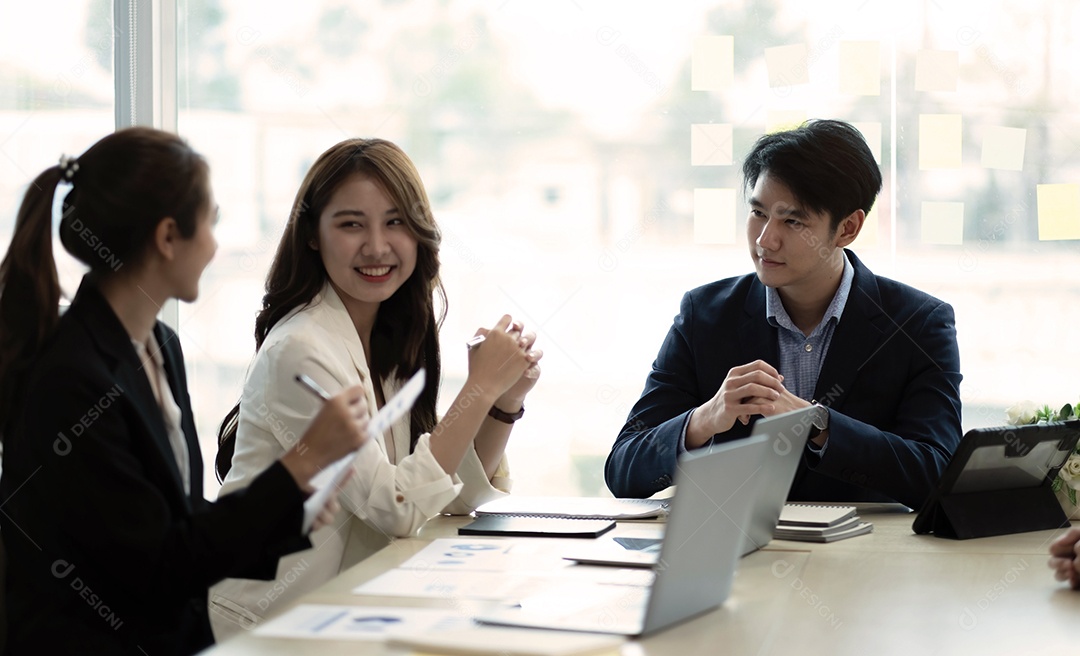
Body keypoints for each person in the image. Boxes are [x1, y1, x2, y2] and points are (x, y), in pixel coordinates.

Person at [0, 128, 370, 655]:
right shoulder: (73, 378)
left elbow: (176, 520)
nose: (216, 246)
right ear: (169, 236)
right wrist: (301, 463)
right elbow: (156, 564)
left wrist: (293, 503)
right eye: (211, 223)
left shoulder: (158, 345)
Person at [208, 138, 541, 638]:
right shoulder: (301, 349)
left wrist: (502, 401)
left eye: (395, 222)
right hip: (267, 628)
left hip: (348, 616)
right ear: (312, 235)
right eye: (351, 225)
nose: (377, 247)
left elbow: (446, 495)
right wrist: (478, 387)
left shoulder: (388, 340)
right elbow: (397, 507)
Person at [605, 119, 962, 510]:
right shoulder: (703, 316)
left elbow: (938, 473)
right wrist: (705, 419)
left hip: (866, 545)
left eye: (793, 221)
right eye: (759, 213)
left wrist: (818, 423)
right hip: (737, 546)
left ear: (848, 228)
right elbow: (624, 469)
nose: (765, 240)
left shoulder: (918, 324)